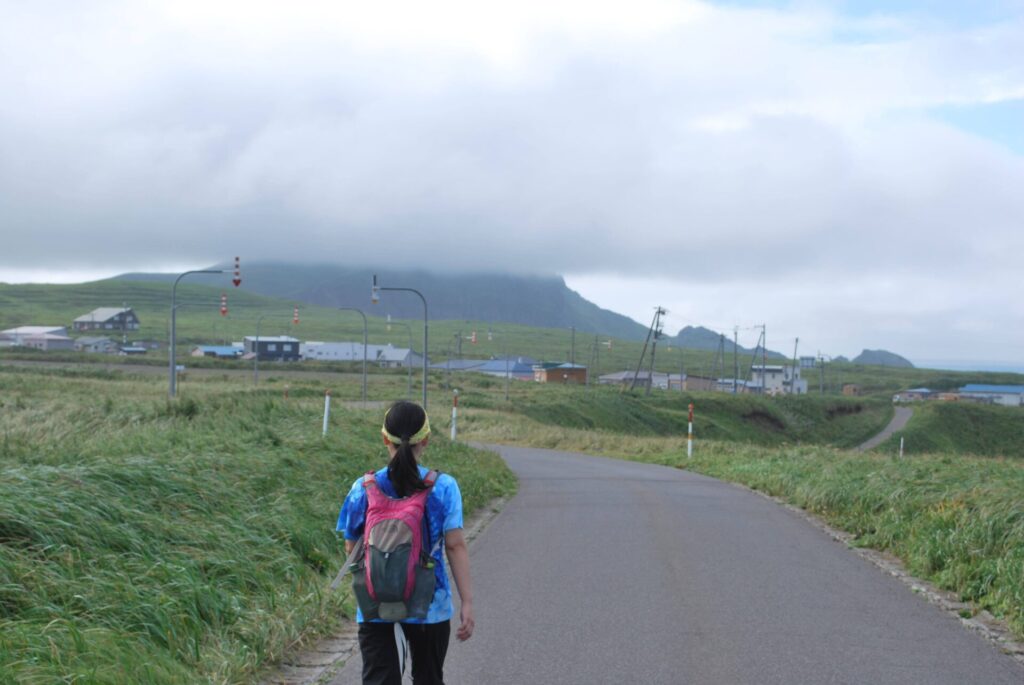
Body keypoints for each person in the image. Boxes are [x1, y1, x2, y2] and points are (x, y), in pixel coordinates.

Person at [337, 401, 474, 685]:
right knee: (428, 679)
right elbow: (455, 546)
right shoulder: (444, 486)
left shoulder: (362, 487)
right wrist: (467, 602)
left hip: (375, 604)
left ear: (385, 438)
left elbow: (351, 548)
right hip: (430, 605)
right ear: (425, 440)